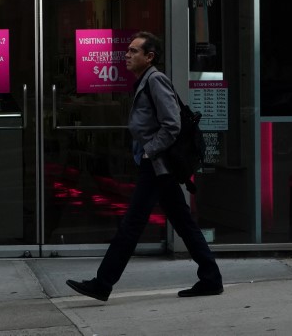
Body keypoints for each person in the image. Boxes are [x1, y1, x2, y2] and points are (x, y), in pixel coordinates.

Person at [66, 31, 223, 301]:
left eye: (134, 51)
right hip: (157, 165)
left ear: (149, 57)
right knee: (182, 222)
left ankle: (103, 283)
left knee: (132, 224)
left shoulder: (155, 80)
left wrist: (149, 152)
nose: (127, 55)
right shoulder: (144, 81)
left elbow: (171, 124)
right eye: (128, 50)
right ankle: (211, 277)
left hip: (158, 165)